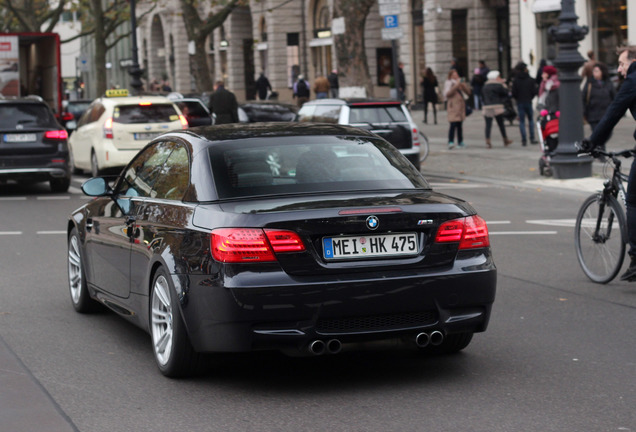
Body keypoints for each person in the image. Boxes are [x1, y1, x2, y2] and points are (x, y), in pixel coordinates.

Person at [580, 46, 636, 281]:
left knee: (633, 200)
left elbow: (613, 114)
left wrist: (592, 143)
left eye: (622, 64)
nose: (621, 70)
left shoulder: (633, 80)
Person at [482, 70, 513, 148]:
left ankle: (487, 141)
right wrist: (504, 84)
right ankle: (505, 139)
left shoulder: (485, 86)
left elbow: (482, 96)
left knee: (488, 125)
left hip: (487, 106)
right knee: (501, 124)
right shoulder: (498, 85)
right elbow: (505, 93)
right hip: (497, 106)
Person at [582, 63, 616, 133]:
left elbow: (614, 98)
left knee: (607, 133)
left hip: (606, 115)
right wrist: (584, 112)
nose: (594, 73)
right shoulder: (589, 83)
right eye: (593, 71)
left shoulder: (608, 83)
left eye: (596, 71)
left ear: (602, 72)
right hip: (593, 116)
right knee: (597, 133)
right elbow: (583, 98)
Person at [511, 61, 538, 146]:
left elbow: (513, 93)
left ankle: (524, 139)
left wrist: (517, 98)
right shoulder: (530, 79)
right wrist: (530, 97)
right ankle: (532, 137)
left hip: (520, 102)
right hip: (528, 101)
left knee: (522, 121)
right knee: (530, 120)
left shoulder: (516, 80)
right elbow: (534, 91)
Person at [443, 69, 471, 149]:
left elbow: (468, 92)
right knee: (453, 124)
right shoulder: (448, 83)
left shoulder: (460, 83)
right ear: (450, 76)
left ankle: (460, 141)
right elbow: (448, 93)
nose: (456, 76)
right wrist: (456, 85)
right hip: (453, 106)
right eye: (454, 75)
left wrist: (463, 84)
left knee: (460, 125)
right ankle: (450, 141)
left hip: (460, 107)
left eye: (456, 74)